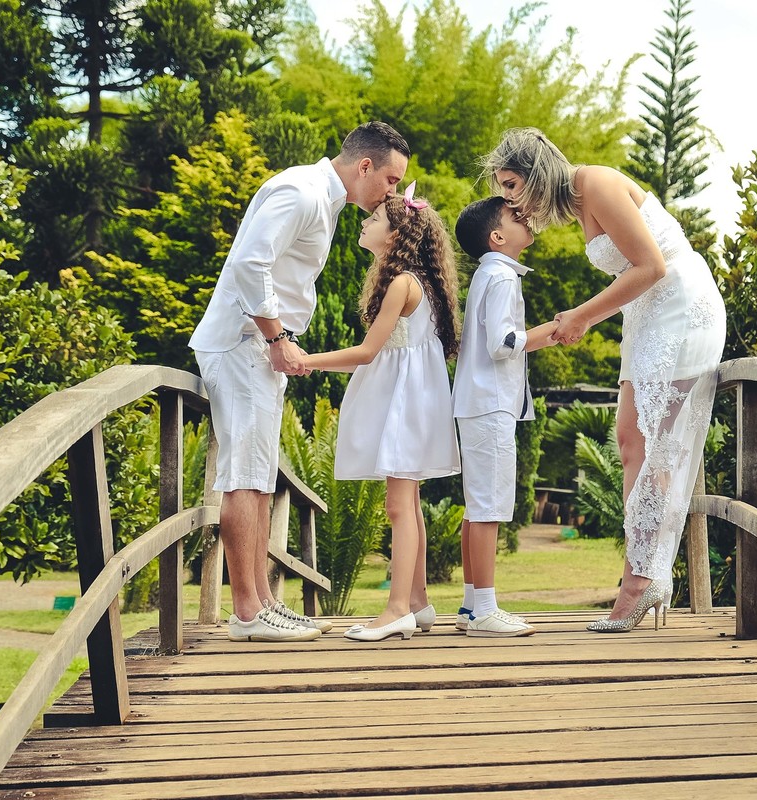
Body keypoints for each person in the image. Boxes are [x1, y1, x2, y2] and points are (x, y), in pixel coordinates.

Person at [481, 127, 726, 633]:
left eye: (511, 185)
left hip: (680, 307)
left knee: (650, 444)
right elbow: (631, 278)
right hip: (647, 315)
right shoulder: (578, 203)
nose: (509, 199)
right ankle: (645, 574)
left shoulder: (596, 182)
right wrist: (562, 327)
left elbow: (652, 266)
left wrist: (583, 316)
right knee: (631, 440)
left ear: (536, 172)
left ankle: (640, 582)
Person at [189, 121, 411, 642]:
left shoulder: (324, 200)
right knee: (244, 475)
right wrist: (276, 337)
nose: (392, 194)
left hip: (261, 349)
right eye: (391, 180)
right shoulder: (302, 191)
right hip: (245, 343)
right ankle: (247, 612)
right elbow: (250, 264)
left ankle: (265, 602)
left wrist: (277, 341)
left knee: (261, 476)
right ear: (365, 166)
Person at [302, 184, 461, 641]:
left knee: (398, 506)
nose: (364, 222)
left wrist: (305, 360)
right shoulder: (417, 282)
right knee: (408, 503)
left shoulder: (401, 283)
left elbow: (367, 352)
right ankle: (418, 602)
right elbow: (378, 355)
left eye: (374, 219)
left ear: (394, 234)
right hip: (413, 399)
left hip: (405, 402)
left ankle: (396, 610)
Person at [452, 196, 559, 637]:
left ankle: (471, 604)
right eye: (515, 216)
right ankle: (484, 610)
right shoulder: (500, 277)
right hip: (490, 403)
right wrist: (549, 332)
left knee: (478, 505)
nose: (526, 216)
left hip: (480, 402)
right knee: (488, 506)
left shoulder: (490, 274)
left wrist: (545, 336)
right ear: (497, 237)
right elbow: (503, 343)